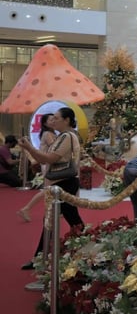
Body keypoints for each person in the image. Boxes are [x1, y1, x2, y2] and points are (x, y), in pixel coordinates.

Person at [17, 107, 85, 269]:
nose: (52, 121)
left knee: (55, 220)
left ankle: (41, 257)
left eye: (56, 118)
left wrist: (29, 148)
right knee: (66, 219)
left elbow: (49, 158)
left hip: (64, 182)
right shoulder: (62, 136)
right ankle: (86, 248)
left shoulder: (66, 137)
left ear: (67, 120)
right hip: (63, 182)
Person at [16, 113, 58, 221]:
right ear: (45, 123)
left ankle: (53, 210)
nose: (54, 121)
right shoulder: (48, 134)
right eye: (51, 120)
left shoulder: (51, 133)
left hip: (49, 164)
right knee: (48, 189)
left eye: (55, 119)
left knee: (51, 189)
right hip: (48, 164)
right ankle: (26, 208)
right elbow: (56, 147)